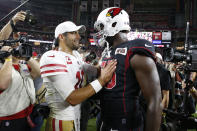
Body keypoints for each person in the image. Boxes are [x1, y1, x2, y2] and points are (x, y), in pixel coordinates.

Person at [94, 7, 162, 131]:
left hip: (127, 124)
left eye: (102, 27)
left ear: (114, 24)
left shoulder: (136, 53)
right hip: (107, 121)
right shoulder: (108, 53)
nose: (100, 32)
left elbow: (155, 102)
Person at [40, 21, 117, 131]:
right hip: (62, 120)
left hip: (76, 117)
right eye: (73, 33)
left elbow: (94, 71)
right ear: (61, 36)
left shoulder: (75, 56)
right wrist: (101, 81)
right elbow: (72, 98)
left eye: (78, 33)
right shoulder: (51, 57)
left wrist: (108, 58)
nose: (78, 36)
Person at [0, 12, 41, 131]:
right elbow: (3, 84)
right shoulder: (2, 65)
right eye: (11, 45)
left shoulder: (23, 66)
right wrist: (12, 22)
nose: (15, 47)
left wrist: (27, 56)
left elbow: (38, 72)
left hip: (25, 117)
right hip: (7, 120)